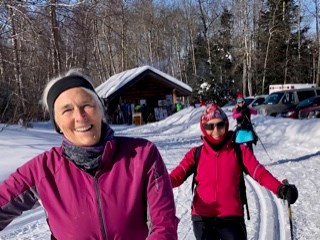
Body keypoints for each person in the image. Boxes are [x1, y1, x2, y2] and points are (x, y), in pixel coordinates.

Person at [0, 69, 178, 240]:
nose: (80, 116)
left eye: (86, 105)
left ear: (100, 110)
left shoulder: (142, 155)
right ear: (58, 124)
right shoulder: (42, 170)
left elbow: (164, 224)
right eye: (67, 110)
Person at [169, 103, 298, 240]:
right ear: (203, 127)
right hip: (203, 219)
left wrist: (280, 188)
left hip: (232, 217)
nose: (216, 130)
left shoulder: (239, 151)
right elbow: (175, 177)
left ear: (226, 124)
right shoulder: (196, 154)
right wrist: (153, 184)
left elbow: (259, 172)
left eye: (220, 125)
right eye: (210, 126)